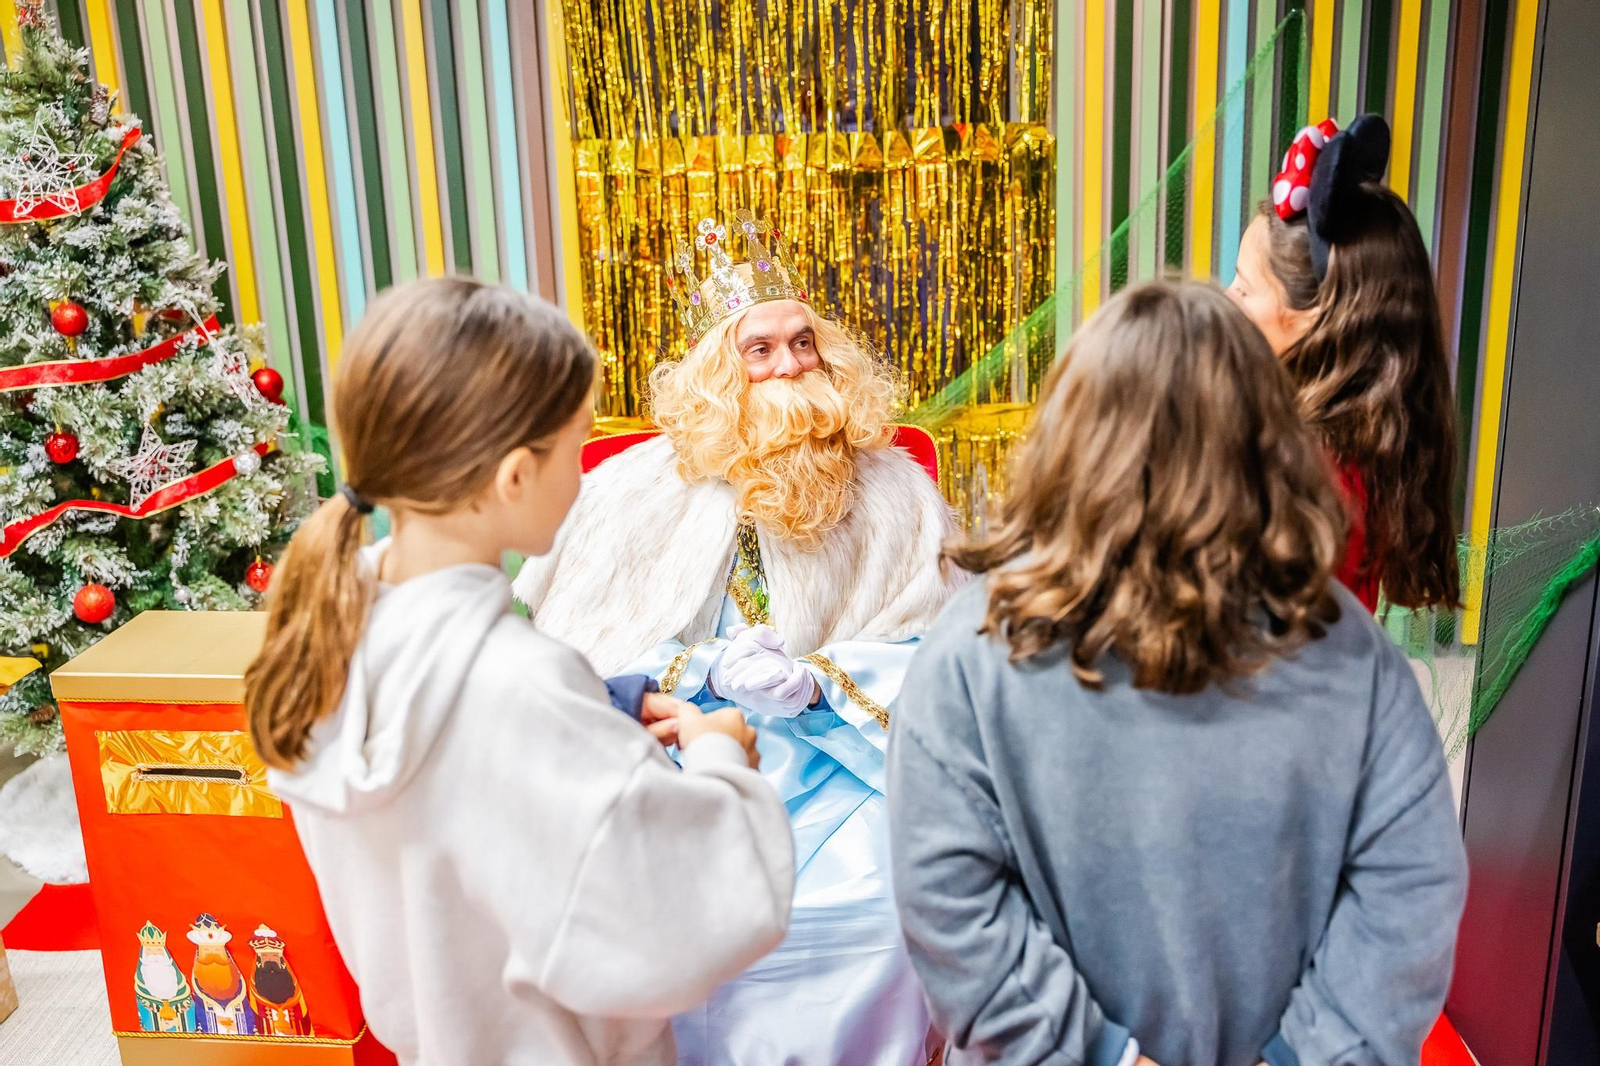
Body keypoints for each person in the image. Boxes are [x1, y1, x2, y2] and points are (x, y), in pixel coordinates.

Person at [889, 282, 1469, 1066]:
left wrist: (1102, 1055)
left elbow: (949, 906)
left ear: (1067, 435)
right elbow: (1410, 895)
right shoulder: (1349, 646)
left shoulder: (967, 648)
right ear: (1271, 436)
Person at [244, 278, 795, 1066]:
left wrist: (604, 709)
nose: (583, 473)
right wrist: (717, 759)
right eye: (575, 445)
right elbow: (677, 924)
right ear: (512, 477)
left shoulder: (330, 628)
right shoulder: (523, 685)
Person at [515, 209, 963, 1065]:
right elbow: (571, 658)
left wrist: (825, 678)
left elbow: (952, 653)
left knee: (878, 902)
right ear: (723, 371)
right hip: (683, 752)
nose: (791, 366)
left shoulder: (896, 488)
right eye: (761, 351)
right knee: (658, 898)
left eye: (803, 343)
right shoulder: (632, 491)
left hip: (850, 764)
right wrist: (700, 669)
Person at [1228, 114, 1459, 613]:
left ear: (1314, 317)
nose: (1227, 300)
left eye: (1244, 288)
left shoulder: (1308, 471)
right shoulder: (1356, 443)